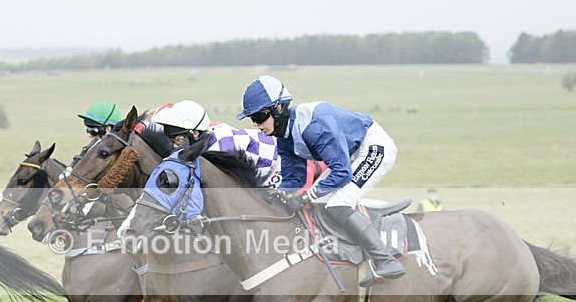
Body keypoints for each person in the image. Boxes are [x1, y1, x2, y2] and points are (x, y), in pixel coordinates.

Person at [236, 75, 404, 287]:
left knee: (337, 203)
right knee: (318, 203)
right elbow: (293, 178)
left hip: (371, 148)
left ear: (279, 108)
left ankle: (385, 260)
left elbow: (341, 173)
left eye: (260, 116)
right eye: (252, 119)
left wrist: (305, 196)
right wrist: (278, 194)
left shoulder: (313, 126)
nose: (256, 124)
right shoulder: (283, 135)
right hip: (347, 157)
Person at [151, 100, 282, 188]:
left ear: (195, 133)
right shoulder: (206, 133)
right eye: (170, 140)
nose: (174, 146)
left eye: (179, 140)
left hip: (276, 167)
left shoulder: (222, 148)